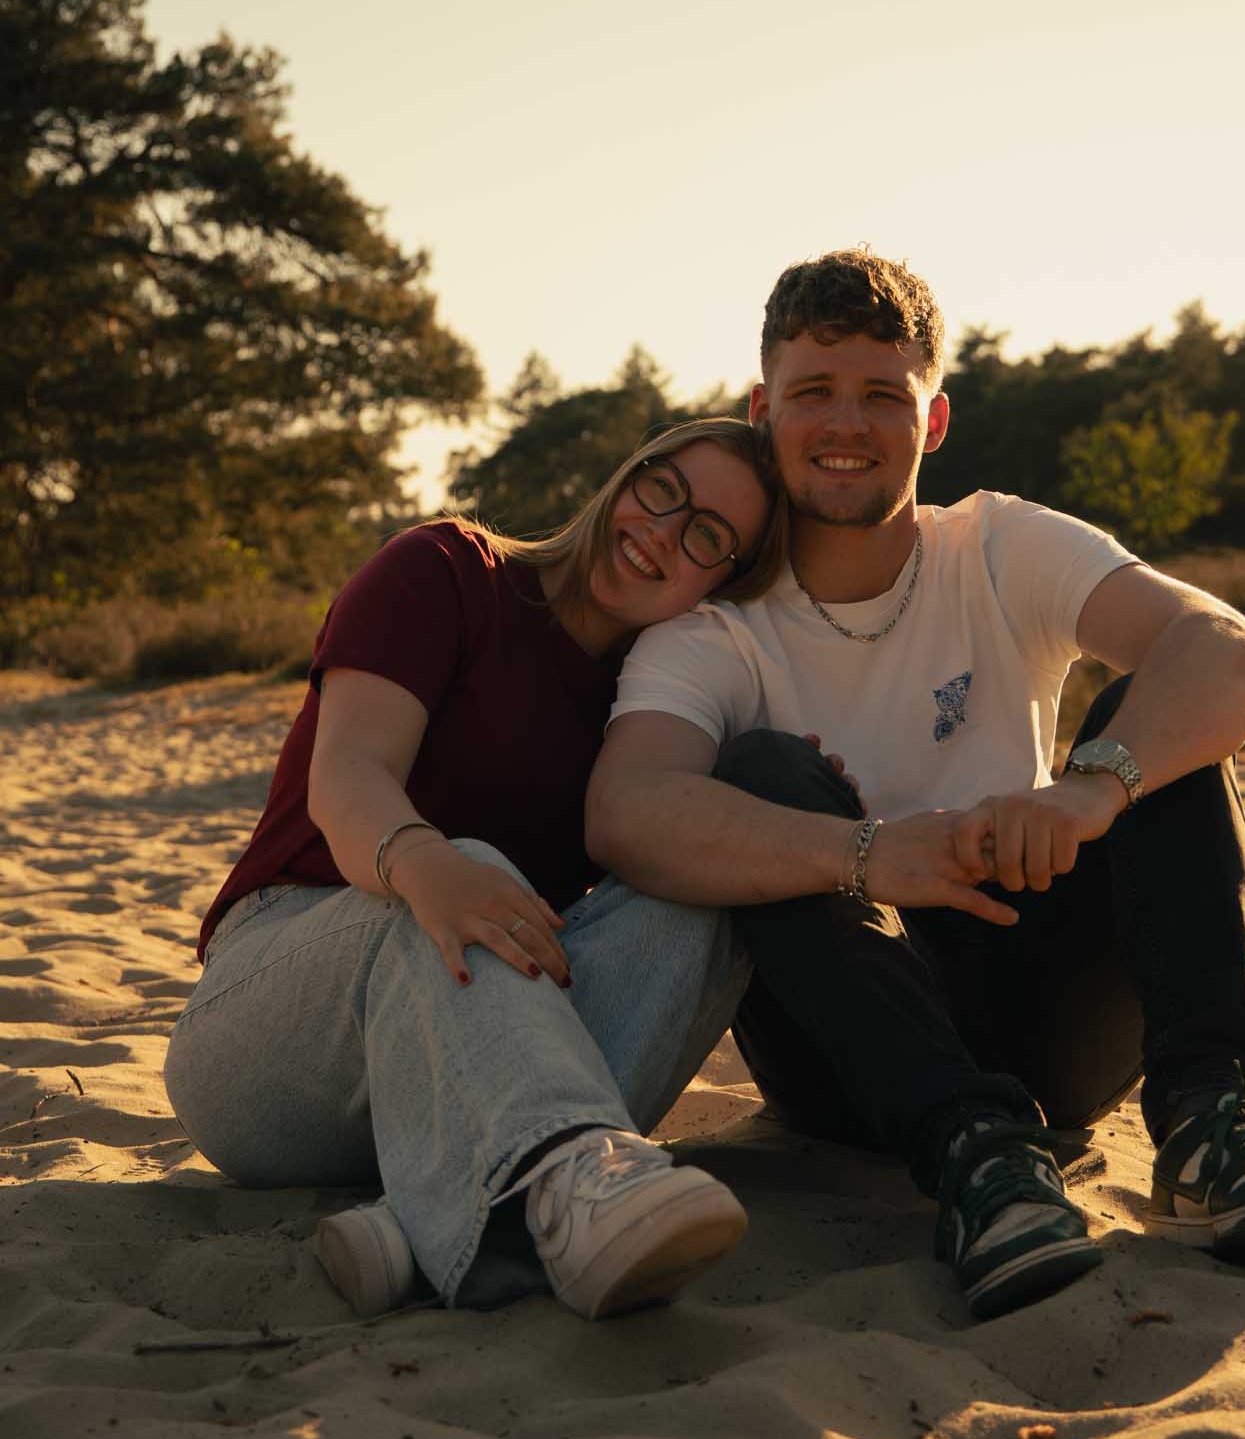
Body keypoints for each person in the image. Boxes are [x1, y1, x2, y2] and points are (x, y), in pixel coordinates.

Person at [586, 249, 1245, 1320]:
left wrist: (1090, 791)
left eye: (881, 394)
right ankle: (976, 1158)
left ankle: (1214, 1125)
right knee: (760, 771)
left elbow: (1229, 649)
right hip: (846, 1045)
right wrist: (865, 855)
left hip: (1042, 1007)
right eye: (814, 392)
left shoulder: (996, 544)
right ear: (763, 410)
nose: (845, 422)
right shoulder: (716, 634)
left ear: (935, 420)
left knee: (1150, 727)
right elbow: (626, 810)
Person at [164, 418, 788, 1322]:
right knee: (467, 870)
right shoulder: (448, 571)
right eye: (663, 491)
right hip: (277, 1027)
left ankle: (424, 1232)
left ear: (720, 583)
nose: (661, 532)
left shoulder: (645, 713)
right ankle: (567, 1170)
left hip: (462, 1070)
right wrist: (426, 864)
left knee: (708, 894)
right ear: (626, 474)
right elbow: (346, 779)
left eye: (705, 538)